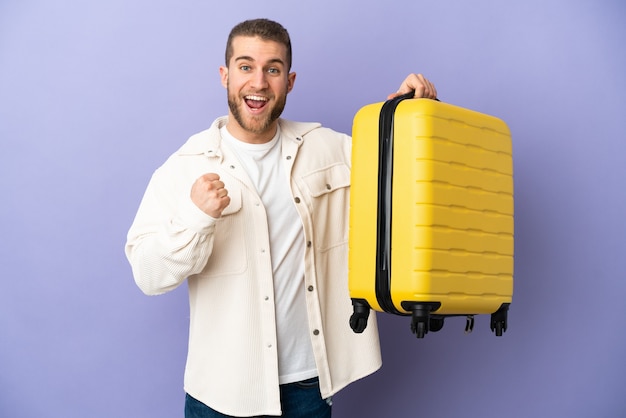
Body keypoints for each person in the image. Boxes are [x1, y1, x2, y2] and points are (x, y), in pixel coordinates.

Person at [125, 18, 437, 418]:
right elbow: (148, 275)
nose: (258, 82)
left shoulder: (328, 148)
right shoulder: (184, 167)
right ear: (224, 76)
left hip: (309, 387)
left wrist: (411, 114)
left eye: (272, 69)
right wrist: (195, 217)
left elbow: (402, 177)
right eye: (245, 66)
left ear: (289, 81)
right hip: (220, 395)